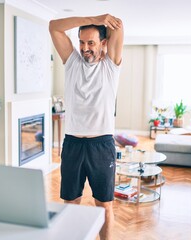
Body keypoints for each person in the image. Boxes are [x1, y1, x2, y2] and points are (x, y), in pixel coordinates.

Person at [49, 14, 123, 240]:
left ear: (103, 43)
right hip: (73, 144)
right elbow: (53, 27)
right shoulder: (71, 62)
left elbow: (119, 27)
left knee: (104, 205)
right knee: (70, 204)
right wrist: (93, 18)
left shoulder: (110, 66)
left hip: (102, 144)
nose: (85, 48)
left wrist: (103, 24)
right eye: (81, 42)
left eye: (91, 43)